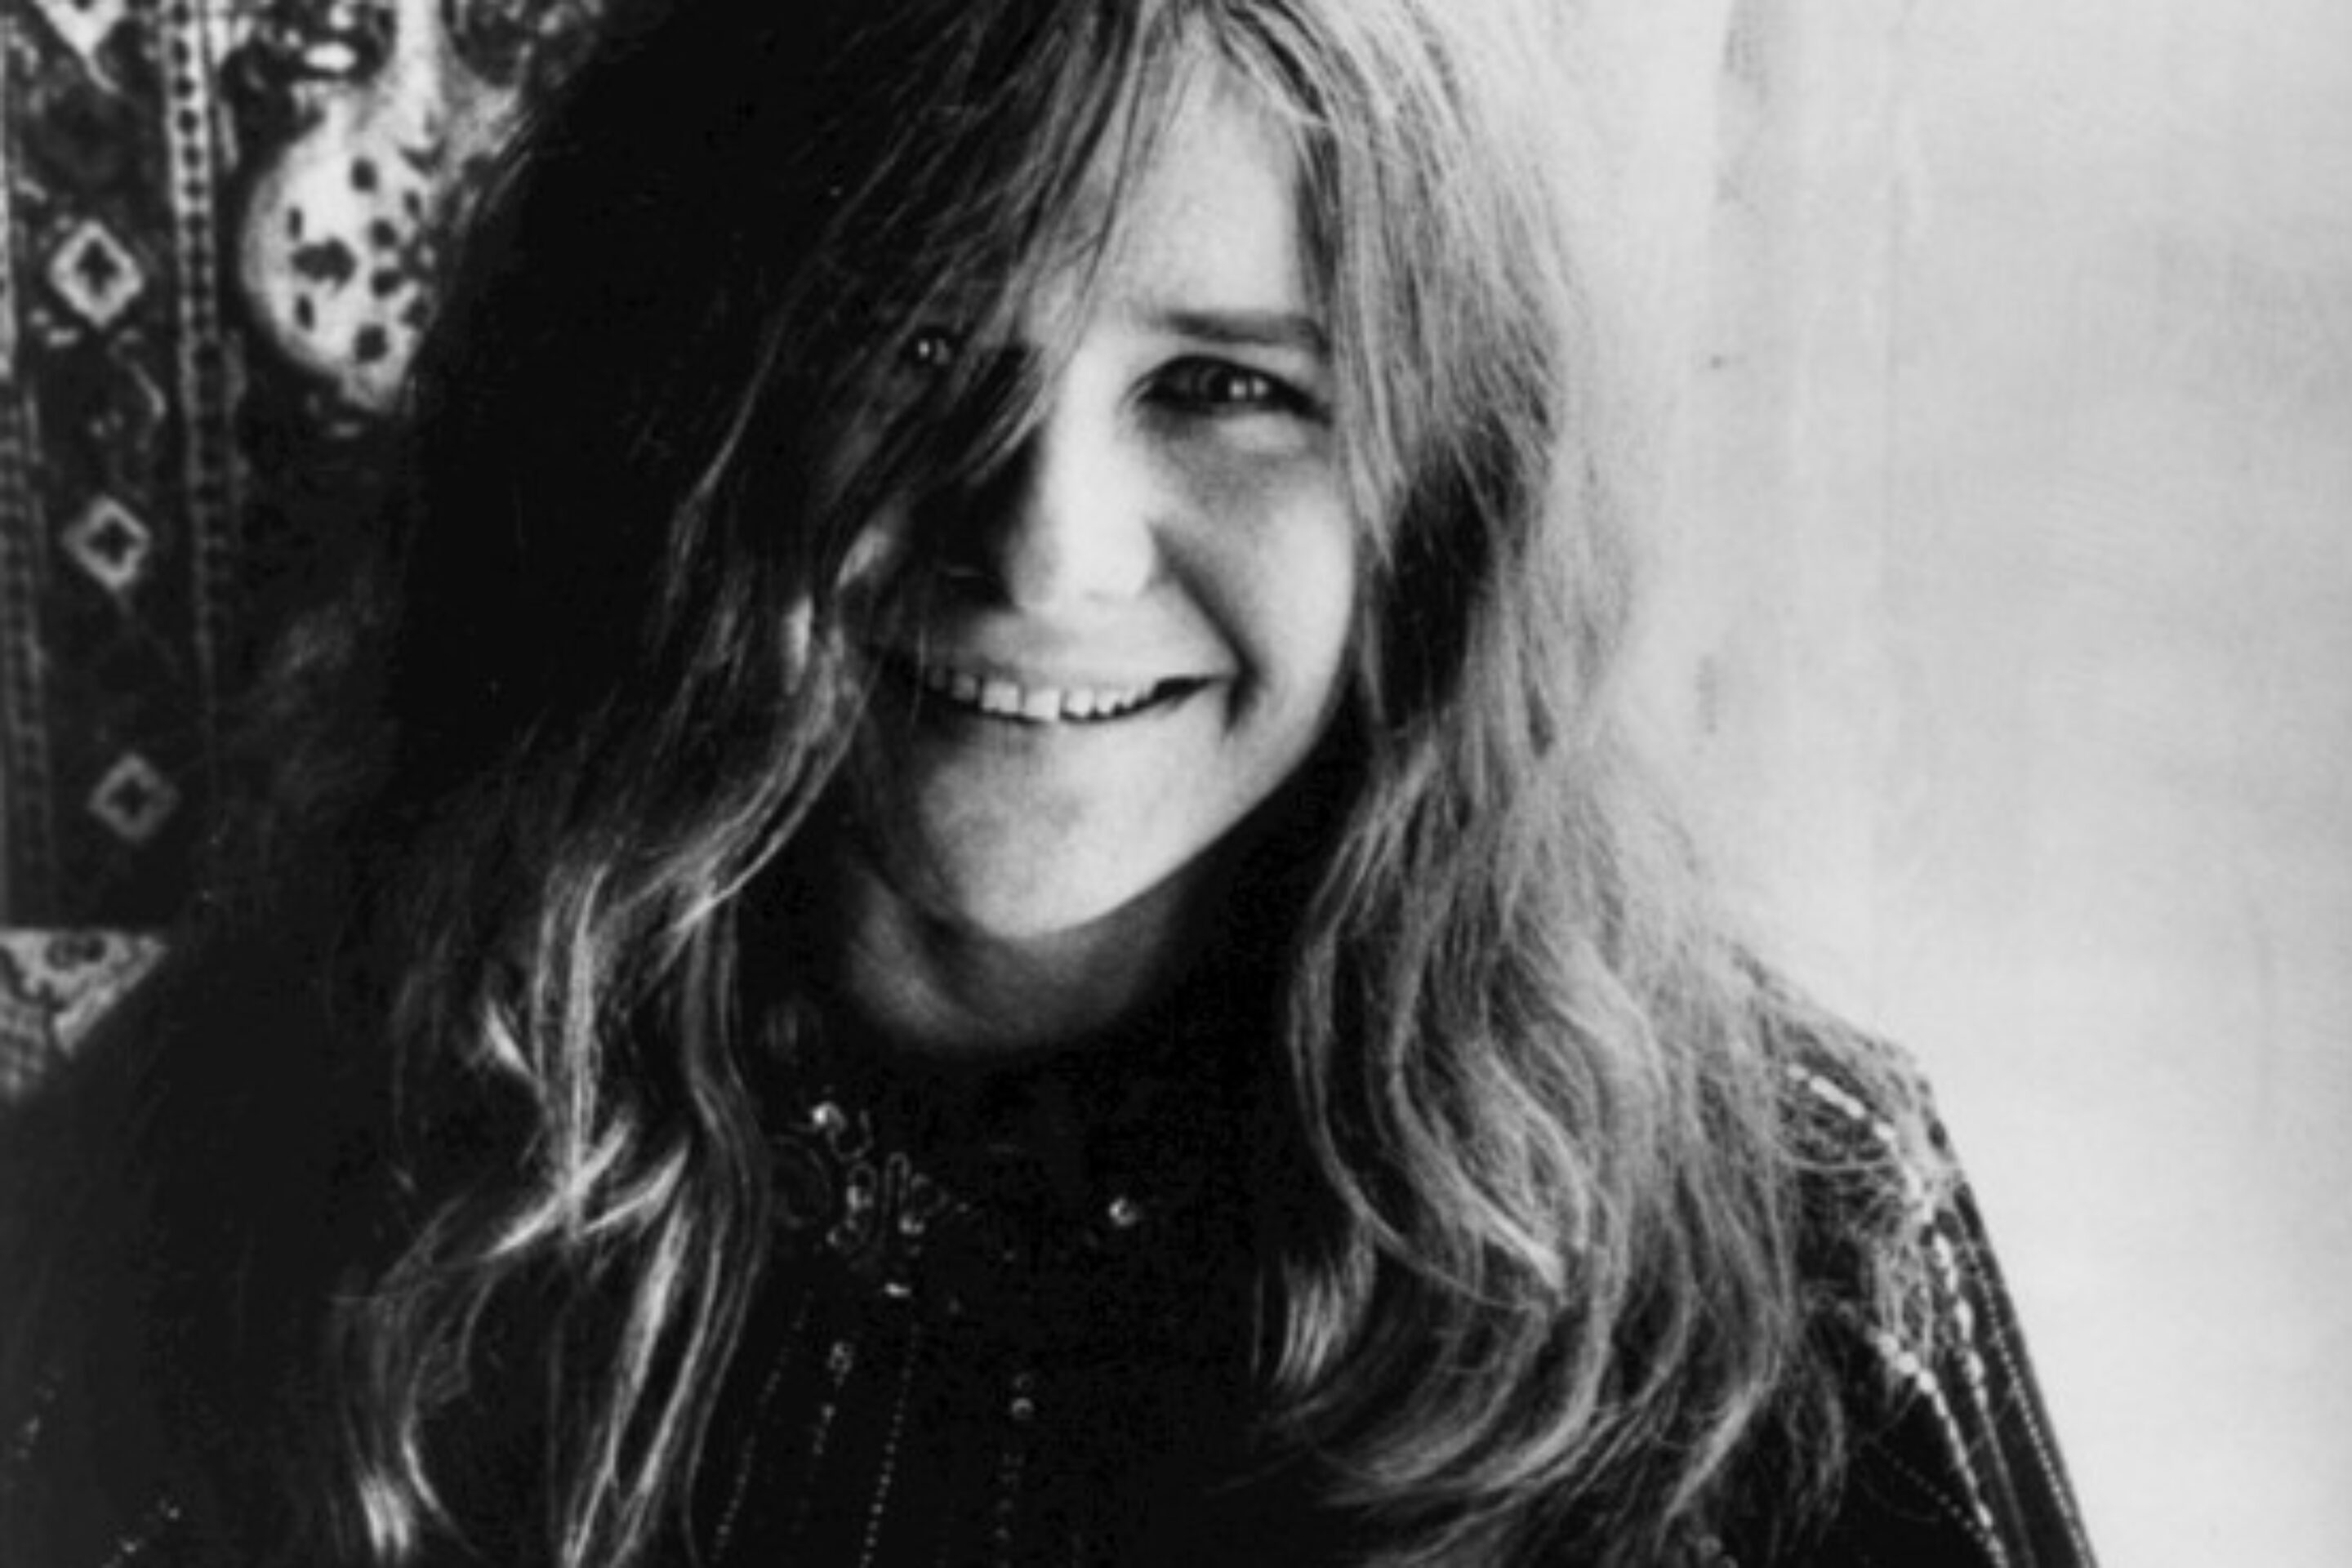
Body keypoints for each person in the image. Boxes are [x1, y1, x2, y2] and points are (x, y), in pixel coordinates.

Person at [0, 2, 2099, 1564]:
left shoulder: (1793, 1235)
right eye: (909, 343)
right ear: (679, 413)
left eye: (1223, 388)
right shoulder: (259, 1141)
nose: (1047, 544)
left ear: (1444, 494)